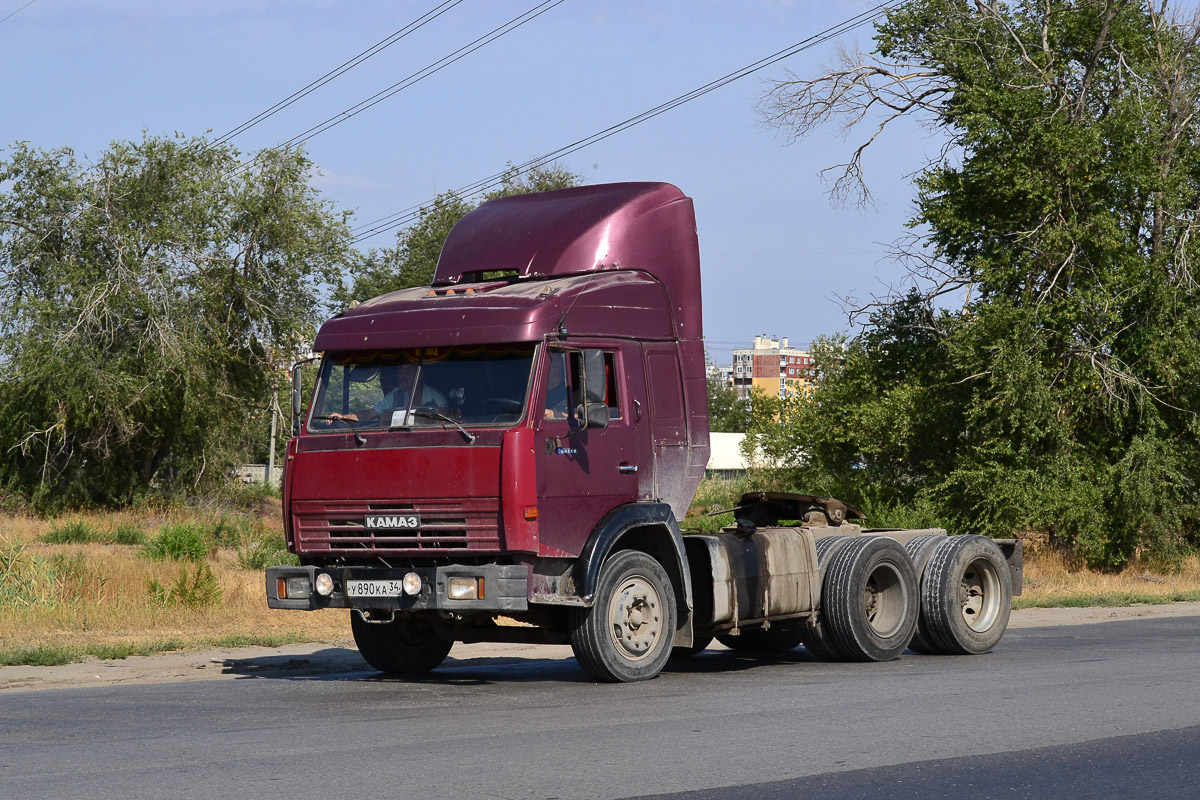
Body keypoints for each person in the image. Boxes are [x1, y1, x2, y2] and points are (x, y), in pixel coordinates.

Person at [331, 365, 416, 425]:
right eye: (400, 371)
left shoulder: (429, 395)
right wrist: (342, 418)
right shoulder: (396, 395)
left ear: (420, 374)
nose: (401, 376)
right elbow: (370, 414)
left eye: (407, 371)